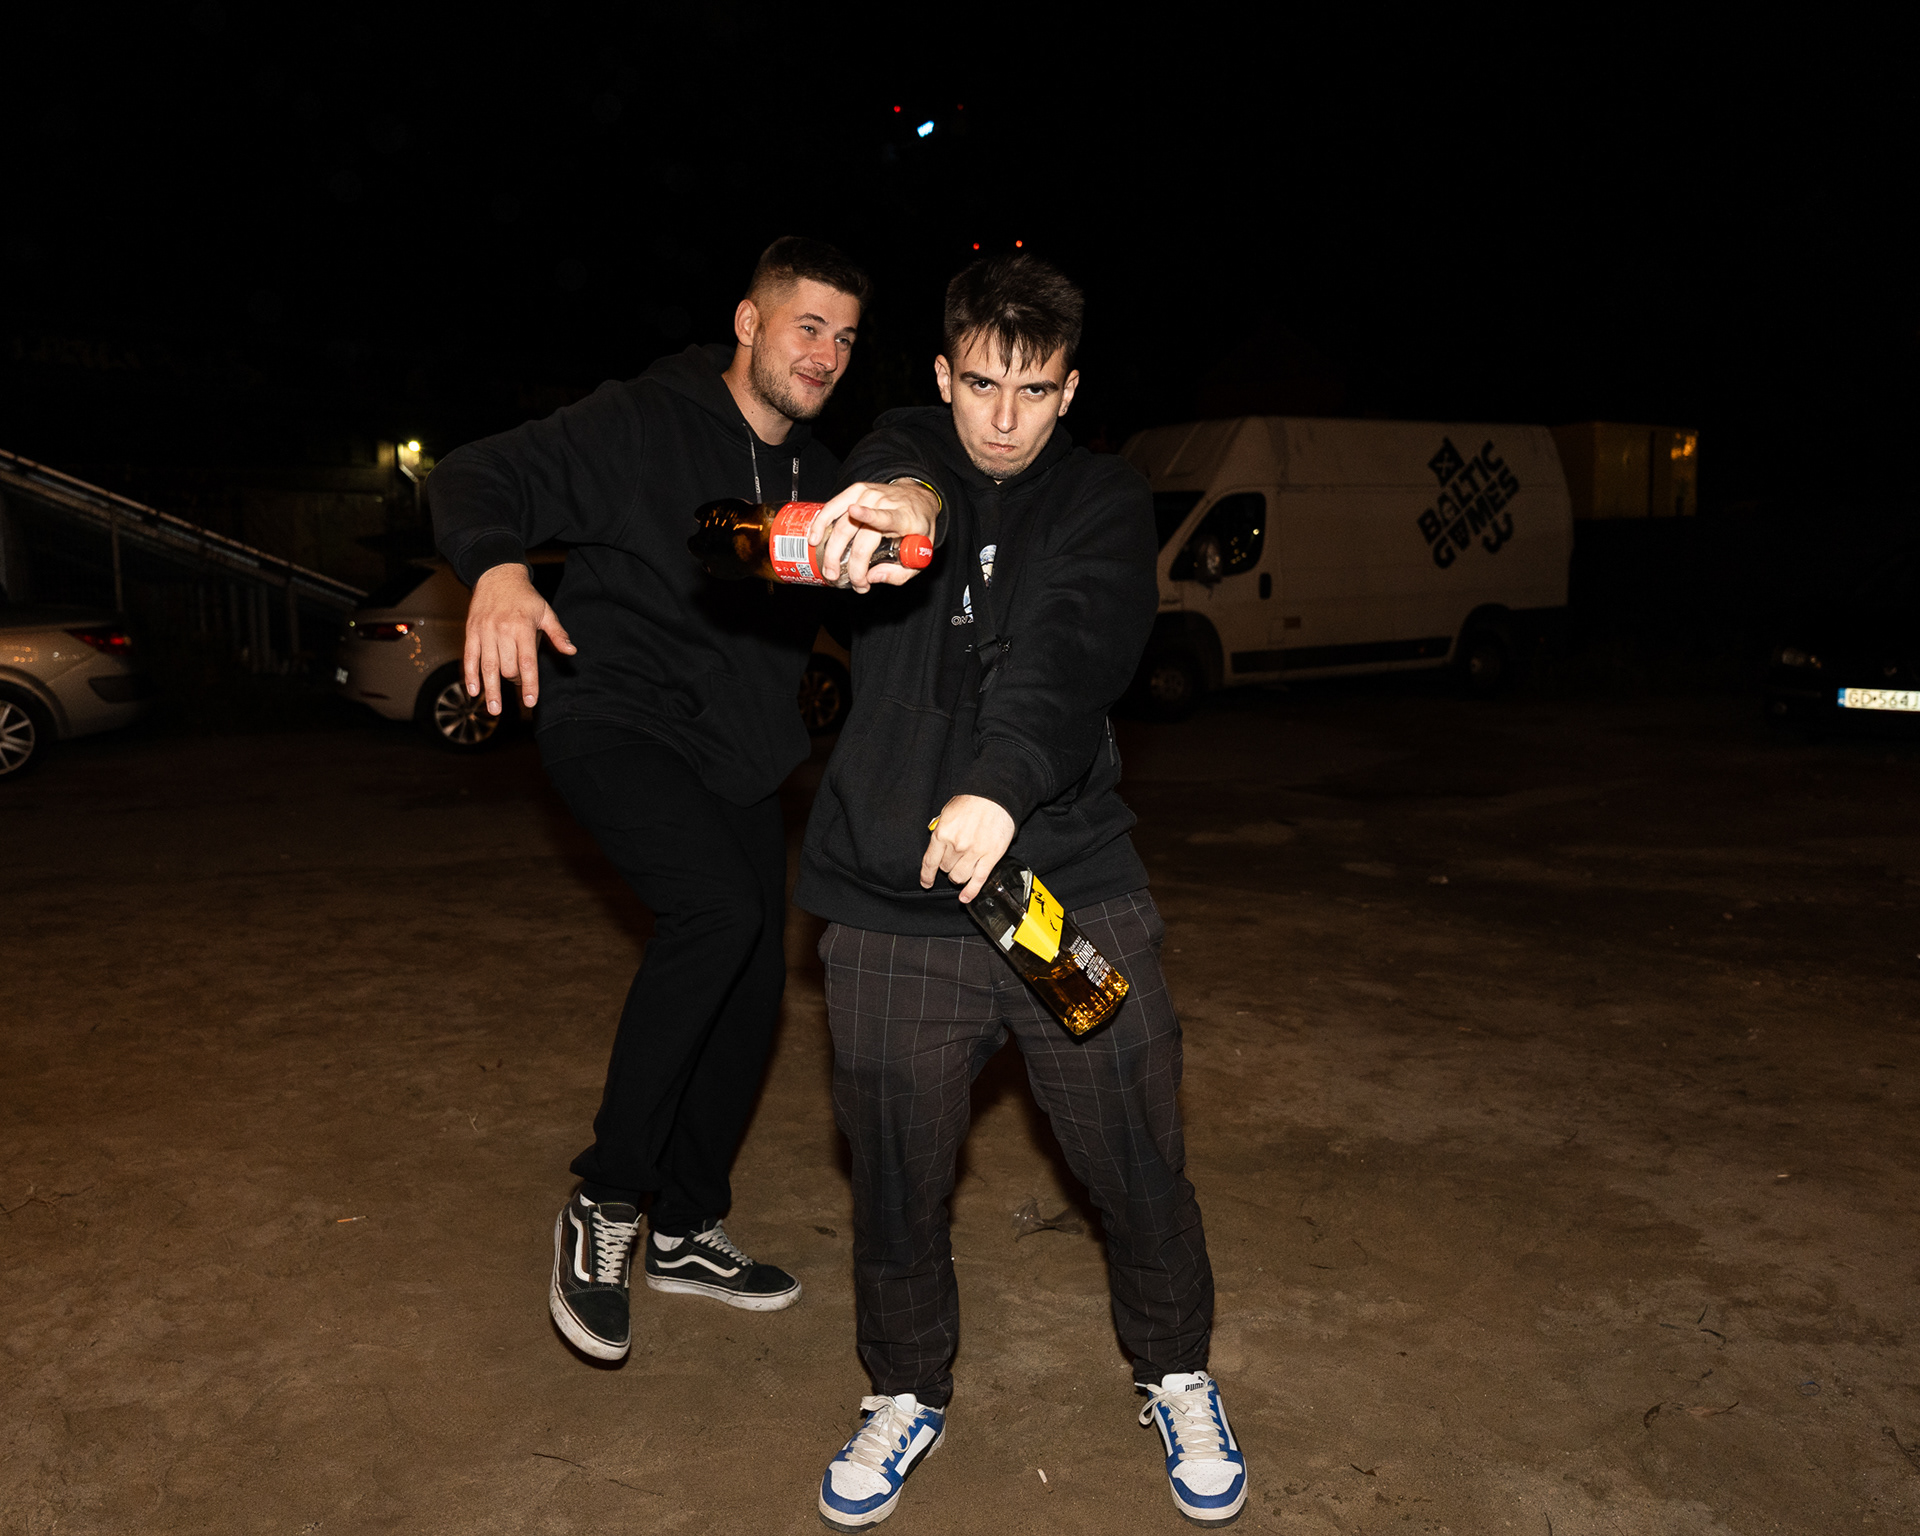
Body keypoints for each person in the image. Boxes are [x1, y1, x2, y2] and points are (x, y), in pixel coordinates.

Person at [796, 255, 1248, 1529]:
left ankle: (1176, 1369)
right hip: (891, 903)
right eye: (982, 384)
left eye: (1033, 390)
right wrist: (891, 504)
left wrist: (999, 787)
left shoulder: (1104, 497)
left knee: (1134, 1151)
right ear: (945, 376)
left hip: (1062, 890)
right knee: (894, 1174)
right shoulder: (898, 459)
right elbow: (909, 480)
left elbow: (1070, 645)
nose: (1003, 417)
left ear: (1070, 392)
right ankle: (905, 1387)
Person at [427, 237, 934, 1365]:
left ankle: (686, 1228)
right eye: (808, 327)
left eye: (847, 338)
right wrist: (498, 567)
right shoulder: (640, 421)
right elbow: (471, 474)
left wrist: (894, 585)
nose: (827, 355)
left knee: (752, 989)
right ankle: (608, 1197)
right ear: (750, 323)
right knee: (716, 912)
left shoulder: (821, 478)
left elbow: (866, 614)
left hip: (740, 757)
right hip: (617, 719)